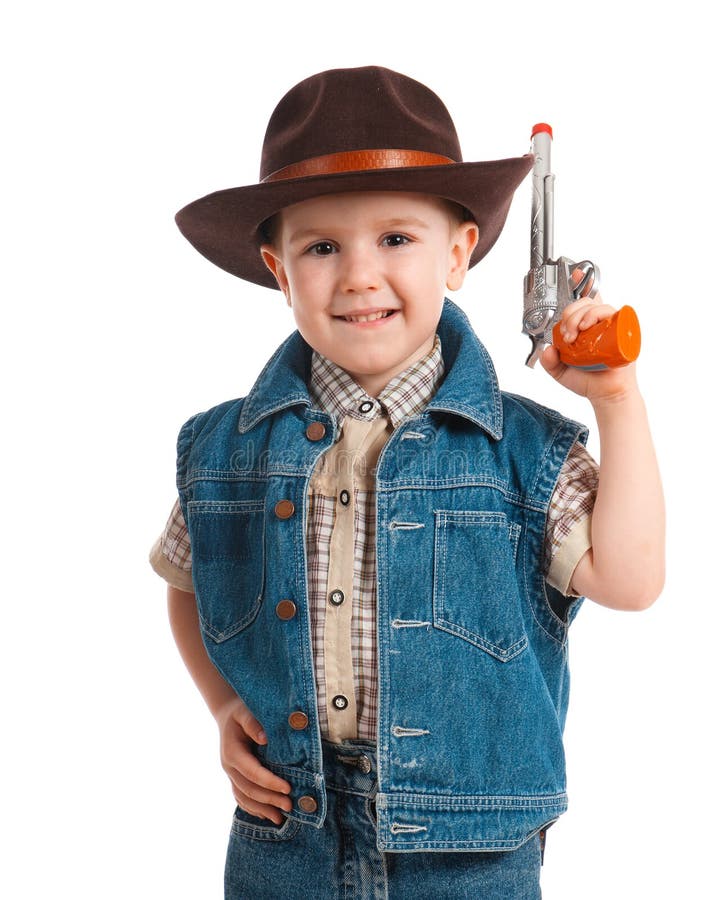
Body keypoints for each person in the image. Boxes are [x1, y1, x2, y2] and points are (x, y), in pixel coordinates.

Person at [150, 66, 665, 899]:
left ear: (457, 255)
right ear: (279, 271)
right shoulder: (226, 446)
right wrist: (221, 705)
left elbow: (633, 581)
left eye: (395, 239)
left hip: (471, 854)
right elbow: (191, 583)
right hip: (287, 837)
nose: (359, 275)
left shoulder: (522, 451)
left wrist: (616, 402)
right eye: (322, 247)